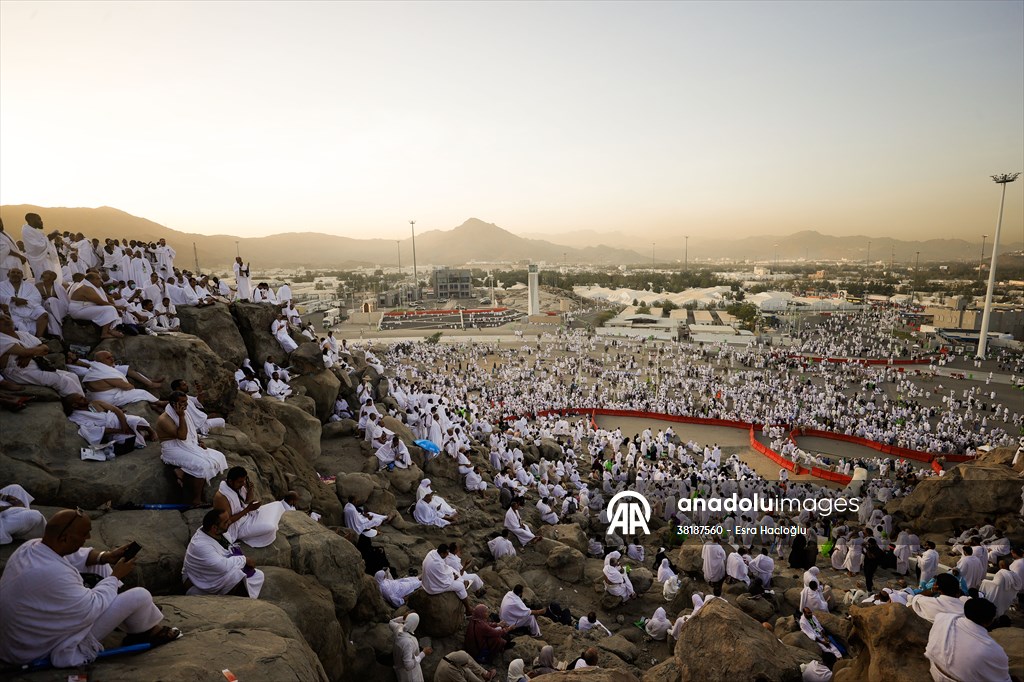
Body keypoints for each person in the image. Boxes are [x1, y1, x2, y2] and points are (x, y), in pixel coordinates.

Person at [0, 508, 180, 667]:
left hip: (20, 639)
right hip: (35, 649)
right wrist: (115, 576)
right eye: (84, 534)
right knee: (140, 596)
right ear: (65, 538)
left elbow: (76, 556)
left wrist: (106, 556)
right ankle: (146, 631)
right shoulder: (53, 573)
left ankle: (133, 614)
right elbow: (92, 607)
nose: (88, 538)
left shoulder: (30, 547)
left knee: (99, 564)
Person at [156, 390, 228, 505]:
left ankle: (181, 471)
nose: (186, 404)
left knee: (219, 456)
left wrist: (198, 441)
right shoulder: (164, 419)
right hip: (172, 449)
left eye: (186, 401)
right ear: (174, 404)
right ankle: (196, 500)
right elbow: (182, 436)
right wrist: (181, 416)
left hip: (188, 445)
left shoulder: (184, 412)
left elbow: (191, 431)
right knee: (203, 466)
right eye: (182, 402)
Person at [182, 509, 264, 598]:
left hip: (216, 571)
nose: (229, 522)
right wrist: (245, 560)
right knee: (238, 576)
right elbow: (221, 566)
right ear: (214, 528)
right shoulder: (200, 545)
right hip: (198, 582)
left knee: (257, 575)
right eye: (225, 522)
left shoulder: (217, 532)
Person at [924, 598, 1011, 682]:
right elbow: (1002, 678)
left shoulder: (942, 618)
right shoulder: (994, 650)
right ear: (989, 622)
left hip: (935, 671)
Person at [0, 315, 83, 397]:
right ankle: (77, 406)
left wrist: (30, 355)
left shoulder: (22, 334)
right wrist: (33, 352)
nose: (6, 321)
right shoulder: (2, 339)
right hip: (19, 372)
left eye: (7, 318)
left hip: (37, 366)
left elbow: (45, 348)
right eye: (2, 320)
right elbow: (25, 352)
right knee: (63, 381)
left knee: (72, 376)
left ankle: (82, 403)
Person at [213, 467, 290, 547]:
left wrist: (250, 490)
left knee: (277, 504)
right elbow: (227, 521)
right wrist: (248, 509)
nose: (243, 484)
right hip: (237, 527)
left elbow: (247, 502)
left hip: (247, 516)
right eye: (240, 482)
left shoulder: (237, 486)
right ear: (230, 481)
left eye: (244, 481)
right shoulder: (221, 497)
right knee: (271, 527)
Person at [82, 350, 161, 408]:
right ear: (100, 361)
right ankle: (159, 403)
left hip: (97, 398)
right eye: (108, 358)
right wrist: (131, 388)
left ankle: (153, 403)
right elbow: (127, 387)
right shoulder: (104, 372)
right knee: (141, 392)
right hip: (107, 400)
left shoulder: (94, 370)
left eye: (111, 356)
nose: (112, 359)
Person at [68, 271, 124, 339]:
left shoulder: (96, 287)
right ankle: (105, 333)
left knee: (112, 308)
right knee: (110, 309)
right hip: (78, 310)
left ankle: (112, 330)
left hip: (86, 308)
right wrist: (117, 307)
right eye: (98, 279)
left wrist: (117, 309)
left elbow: (108, 299)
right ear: (90, 280)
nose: (101, 281)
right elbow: (100, 302)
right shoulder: (86, 288)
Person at [421, 545, 473, 615]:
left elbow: (443, 571)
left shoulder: (432, 553)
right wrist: (453, 578)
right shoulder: (437, 564)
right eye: (446, 553)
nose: (448, 554)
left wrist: (452, 575)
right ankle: (468, 609)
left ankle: (463, 581)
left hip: (428, 581)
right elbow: (444, 582)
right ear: (442, 553)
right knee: (460, 586)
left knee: (452, 570)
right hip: (432, 587)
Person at [0, 267, 49, 337]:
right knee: (15, 323)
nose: (16, 274)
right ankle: (25, 339)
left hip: (28, 307)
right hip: (11, 309)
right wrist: (12, 299)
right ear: (8, 275)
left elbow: (37, 298)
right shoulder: (1, 285)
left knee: (44, 314)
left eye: (18, 273)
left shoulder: (30, 286)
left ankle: (39, 337)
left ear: (22, 276)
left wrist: (26, 302)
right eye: (13, 272)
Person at [21, 213, 63, 285]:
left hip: (46, 259)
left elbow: (43, 241)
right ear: (31, 220)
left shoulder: (35, 231)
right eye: (39, 219)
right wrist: (51, 236)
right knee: (44, 280)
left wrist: (50, 237)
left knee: (52, 280)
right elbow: (36, 247)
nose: (41, 221)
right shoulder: (26, 231)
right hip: (39, 261)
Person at [391, 613, 432, 682]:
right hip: (410, 675)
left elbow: (391, 622)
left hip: (398, 665)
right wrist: (423, 653)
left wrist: (403, 619)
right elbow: (408, 666)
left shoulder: (398, 628)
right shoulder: (408, 643)